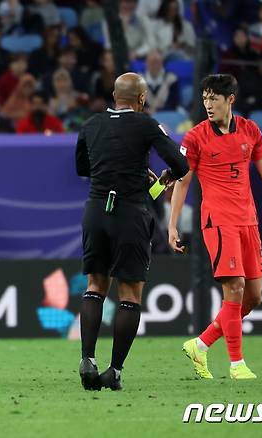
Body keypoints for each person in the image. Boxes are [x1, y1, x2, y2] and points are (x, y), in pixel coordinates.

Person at [169, 74, 262, 380]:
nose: (207, 104)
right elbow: (183, 182)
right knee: (235, 287)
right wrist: (173, 224)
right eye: (204, 98)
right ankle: (236, 364)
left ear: (230, 99)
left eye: (213, 98)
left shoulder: (250, 130)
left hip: (248, 220)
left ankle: (201, 344)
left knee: (253, 297)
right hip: (218, 221)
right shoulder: (195, 137)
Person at [75, 72, 189, 391]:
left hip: (96, 210)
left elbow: (82, 168)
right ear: (141, 99)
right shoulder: (147, 124)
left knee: (96, 285)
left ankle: (87, 358)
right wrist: (160, 177)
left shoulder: (90, 125)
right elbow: (181, 165)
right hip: (129, 212)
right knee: (130, 294)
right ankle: (114, 370)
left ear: (114, 95)